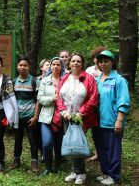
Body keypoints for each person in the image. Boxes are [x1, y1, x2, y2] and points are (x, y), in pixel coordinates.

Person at [56, 54, 98, 185]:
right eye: (73, 61)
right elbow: (58, 96)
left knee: (78, 144)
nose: (75, 63)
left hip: (81, 119)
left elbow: (93, 98)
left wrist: (81, 113)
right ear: (69, 64)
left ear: (82, 64)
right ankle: (75, 171)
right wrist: (63, 111)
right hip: (66, 117)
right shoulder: (64, 78)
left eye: (78, 61)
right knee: (70, 144)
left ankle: (81, 173)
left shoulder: (89, 79)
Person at [94, 50, 130, 185]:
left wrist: (119, 120)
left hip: (112, 122)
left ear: (112, 62)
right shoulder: (97, 80)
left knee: (113, 150)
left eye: (106, 61)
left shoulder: (119, 80)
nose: (103, 64)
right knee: (101, 149)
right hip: (97, 122)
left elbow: (123, 102)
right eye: (100, 61)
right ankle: (105, 173)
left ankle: (114, 176)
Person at [10, 56, 40, 172]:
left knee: (33, 140)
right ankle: (16, 160)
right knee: (17, 139)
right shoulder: (13, 82)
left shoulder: (35, 81)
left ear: (29, 67)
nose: (23, 67)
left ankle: (34, 162)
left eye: (25, 65)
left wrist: (35, 117)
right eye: (20, 65)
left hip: (30, 117)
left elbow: (38, 100)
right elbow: (10, 100)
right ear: (17, 67)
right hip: (18, 117)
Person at [37, 57, 66, 175]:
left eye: (58, 65)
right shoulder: (44, 81)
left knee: (59, 143)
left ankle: (57, 165)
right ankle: (48, 167)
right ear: (50, 66)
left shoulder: (66, 80)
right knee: (47, 143)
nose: (55, 67)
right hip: (46, 117)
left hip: (61, 117)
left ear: (61, 67)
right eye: (53, 64)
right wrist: (51, 99)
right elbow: (40, 98)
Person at [85, 46, 105, 162]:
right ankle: (97, 153)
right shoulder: (89, 70)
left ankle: (104, 153)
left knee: (102, 130)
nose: (99, 60)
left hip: (103, 105)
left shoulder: (109, 70)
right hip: (90, 104)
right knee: (92, 130)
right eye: (96, 57)